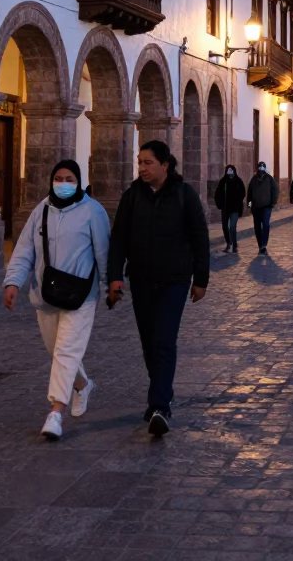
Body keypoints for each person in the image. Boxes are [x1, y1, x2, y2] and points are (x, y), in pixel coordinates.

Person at [107, 141, 210, 437]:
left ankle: (159, 406)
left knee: (164, 340)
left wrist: (200, 279)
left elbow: (200, 238)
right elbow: (119, 240)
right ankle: (162, 388)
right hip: (140, 280)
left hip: (174, 280)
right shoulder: (132, 197)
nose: (142, 168)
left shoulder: (184, 195)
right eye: (139, 162)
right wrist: (115, 276)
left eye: (148, 162)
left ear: (165, 165)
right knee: (149, 342)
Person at [3, 160, 110, 441]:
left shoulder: (92, 211)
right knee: (56, 351)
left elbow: (103, 251)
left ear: (78, 181)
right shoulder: (41, 210)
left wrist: (111, 284)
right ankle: (82, 384)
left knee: (66, 352)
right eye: (59, 178)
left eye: (69, 178)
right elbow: (25, 247)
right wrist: (13, 281)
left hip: (82, 295)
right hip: (46, 294)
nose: (64, 183)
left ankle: (55, 413)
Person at [247, 160, 279, 255]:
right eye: (259, 167)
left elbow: (275, 191)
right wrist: (249, 205)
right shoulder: (254, 180)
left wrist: (273, 202)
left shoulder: (269, 179)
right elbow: (249, 193)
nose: (261, 169)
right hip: (256, 207)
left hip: (266, 206)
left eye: (262, 167)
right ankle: (260, 245)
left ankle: (264, 244)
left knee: (265, 224)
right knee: (257, 226)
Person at [214, 163, 245, 253]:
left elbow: (243, 193)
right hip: (225, 208)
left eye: (231, 171)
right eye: (229, 171)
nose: (230, 173)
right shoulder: (223, 181)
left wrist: (239, 202)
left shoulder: (238, 181)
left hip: (234, 209)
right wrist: (219, 204)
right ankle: (229, 243)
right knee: (224, 226)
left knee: (232, 227)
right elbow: (218, 193)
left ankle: (234, 245)